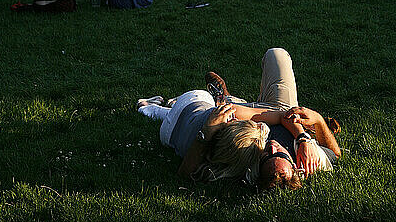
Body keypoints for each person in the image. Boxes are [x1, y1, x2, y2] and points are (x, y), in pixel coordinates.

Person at [206, 47, 341, 190]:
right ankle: (226, 99)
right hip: (280, 108)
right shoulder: (307, 160)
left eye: (265, 156)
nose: (272, 146)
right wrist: (317, 123)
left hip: (248, 119)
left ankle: (222, 94)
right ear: (295, 166)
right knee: (276, 54)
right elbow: (335, 154)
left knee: (223, 109)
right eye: (281, 154)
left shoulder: (247, 166)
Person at [138, 90, 288, 184]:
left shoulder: (224, 115)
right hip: (166, 135)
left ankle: (161, 106)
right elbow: (184, 174)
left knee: (205, 100)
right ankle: (148, 108)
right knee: (173, 116)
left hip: (190, 102)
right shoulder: (227, 166)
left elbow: (281, 114)